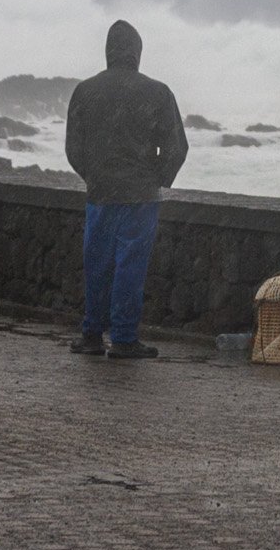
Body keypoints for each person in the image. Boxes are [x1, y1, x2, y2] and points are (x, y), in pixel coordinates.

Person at [64, 19, 189, 359]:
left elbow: (73, 148)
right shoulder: (158, 92)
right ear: (137, 52)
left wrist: (93, 175)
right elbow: (176, 148)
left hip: (100, 195)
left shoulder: (85, 91)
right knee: (130, 267)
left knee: (97, 265)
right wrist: (156, 178)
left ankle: (92, 335)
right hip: (140, 198)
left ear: (108, 50)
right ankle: (123, 338)